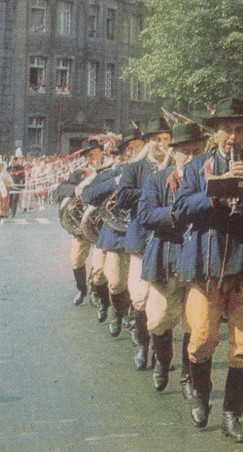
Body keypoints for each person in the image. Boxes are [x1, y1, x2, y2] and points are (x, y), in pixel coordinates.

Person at [173, 99, 243, 442]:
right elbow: (180, 208)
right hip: (207, 268)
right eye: (227, 130)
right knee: (202, 339)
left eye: (239, 130)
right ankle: (202, 396)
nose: (233, 138)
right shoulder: (198, 167)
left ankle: (232, 415)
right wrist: (216, 191)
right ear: (215, 131)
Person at [137, 122, 205, 395]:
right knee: (158, 319)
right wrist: (175, 214)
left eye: (197, 151)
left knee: (195, 323)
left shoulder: (211, 179)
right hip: (165, 259)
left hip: (199, 260)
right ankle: (163, 362)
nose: (191, 157)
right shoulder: (156, 180)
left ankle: (189, 377)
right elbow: (145, 215)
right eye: (185, 151)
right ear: (173, 152)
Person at [116, 117, 173, 370]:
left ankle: (162, 357)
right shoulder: (134, 169)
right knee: (139, 298)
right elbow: (123, 197)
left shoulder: (177, 166)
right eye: (155, 140)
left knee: (164, 304)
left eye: (164, 140)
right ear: (147, 143)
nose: (159, 145)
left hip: (169, 241)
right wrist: (153, 189)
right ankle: (142, 344)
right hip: (141, 239)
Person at [84, 128, 146, 338]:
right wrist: (116, 182)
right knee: (115, 281)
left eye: (140, 147)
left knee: (141, 289)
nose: (137, 152)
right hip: (116, 233)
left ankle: (138, 332)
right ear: (125, 152)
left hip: (142, 230)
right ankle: (117, 312)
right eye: (132, 148)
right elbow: (87, 194)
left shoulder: (151, 170)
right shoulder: (113, 172)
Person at [57, 140, 106, 307]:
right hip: (81, 226)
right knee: (76, 259)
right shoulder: (79, 174)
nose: (91, 158)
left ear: (102, 152)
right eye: (88, 155)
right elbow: (59, 188)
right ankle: (82, 289)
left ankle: (94, 289)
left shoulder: (109, 171)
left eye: (94, 153)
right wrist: (74, 190)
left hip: (102, 224)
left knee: (99, 266)